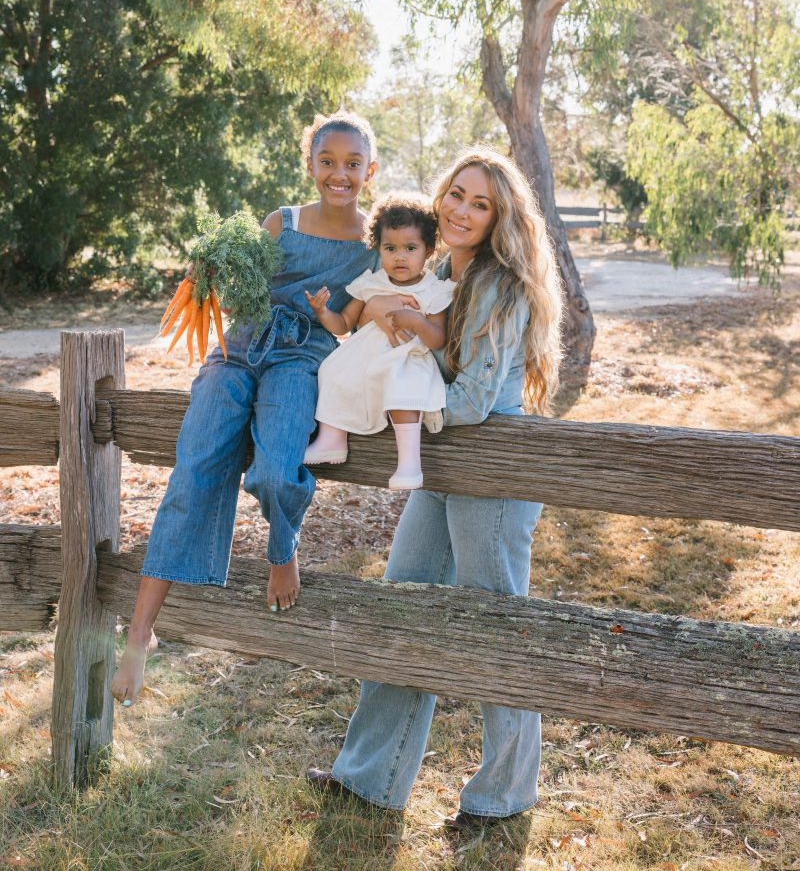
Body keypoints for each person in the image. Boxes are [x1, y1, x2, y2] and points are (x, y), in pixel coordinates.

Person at [306, 146, 563, 831]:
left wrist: (410, 408)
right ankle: (369, 778)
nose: (461, 210)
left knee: (497, 625)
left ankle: (502, 794)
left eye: (480, 203)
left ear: (500, 218)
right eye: (457, 194)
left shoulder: (502, 284)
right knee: (404, 606)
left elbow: (476, 397)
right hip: (444, 466)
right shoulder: (435, 267)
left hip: (495, 473)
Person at [111, 112, 379, 708]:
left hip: (302, 359)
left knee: (275, 469)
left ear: (370, 169)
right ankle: (139, 634)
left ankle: (281, 550)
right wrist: (207, 275)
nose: (339, 174)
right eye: (327, 161)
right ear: (310, 163)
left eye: (352, 163)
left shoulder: (372, 244)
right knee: (195, 471)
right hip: (239, 349)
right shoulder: (279, 223)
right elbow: (239, 291)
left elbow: (373, 310)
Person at [303, 194, 455, 489]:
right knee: (331, 369)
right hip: (365, 359)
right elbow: (344, 324)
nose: (400, 256)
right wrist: (322, 311)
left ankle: (410, 464)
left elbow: (437, 339)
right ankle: (332, 439)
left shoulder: (433, 290)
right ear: (378, 248)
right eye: (390, 248)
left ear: (429, 251)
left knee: (403, 387)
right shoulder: (370, 283)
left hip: (406, 358)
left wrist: (418, 321)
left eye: (410, 248)